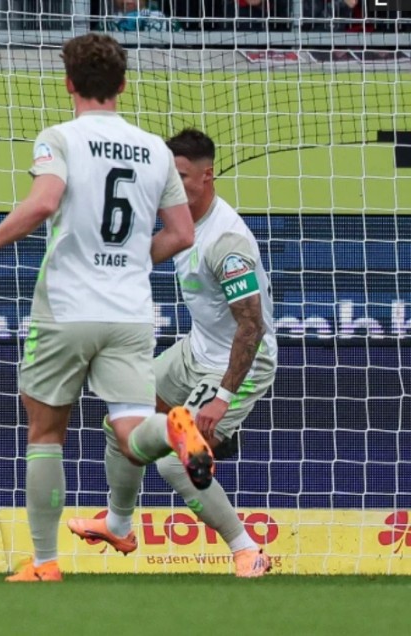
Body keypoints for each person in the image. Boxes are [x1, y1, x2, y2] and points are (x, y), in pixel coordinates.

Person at [0, 33, 197, 582]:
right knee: (132, 432)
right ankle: (173, 429)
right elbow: (182, 233)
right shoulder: (156, 149)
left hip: (66, 307)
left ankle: (45, 563)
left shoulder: (60, 138)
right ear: (123, 85)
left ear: (68, 83)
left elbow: (44, 202)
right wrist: (130, 261)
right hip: (130, 311)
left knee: (46, 434)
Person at [67, 129, 275, 577]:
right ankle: (118, 526)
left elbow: (252, 326)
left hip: (241, 362)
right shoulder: (181, 221)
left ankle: (247, 550)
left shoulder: (227, 243)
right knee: (119, 422)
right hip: (195, 351)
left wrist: (222, 397)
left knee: (173, 461)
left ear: (207, 176)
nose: (172, 185)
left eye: (181, 176)